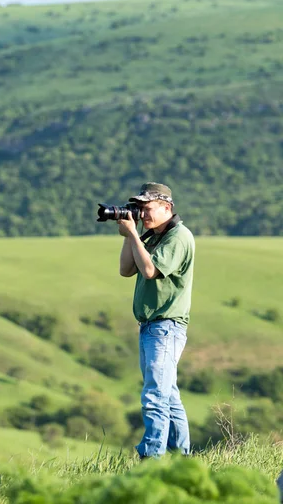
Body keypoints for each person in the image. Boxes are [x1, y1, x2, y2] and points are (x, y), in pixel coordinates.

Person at [117, 181, 195, 459]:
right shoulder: (153, 236)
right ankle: (180, 457)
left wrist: (135, 236)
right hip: (151, 327)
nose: (142, 214)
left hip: (166, 327)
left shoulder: (178, 237)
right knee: (168, 396)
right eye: (139, 208)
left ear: (166, 207)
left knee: (154, 396)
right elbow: (126, 269)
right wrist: (131, 236)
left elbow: (149, 270)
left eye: (147, 208)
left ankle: (151, 457)